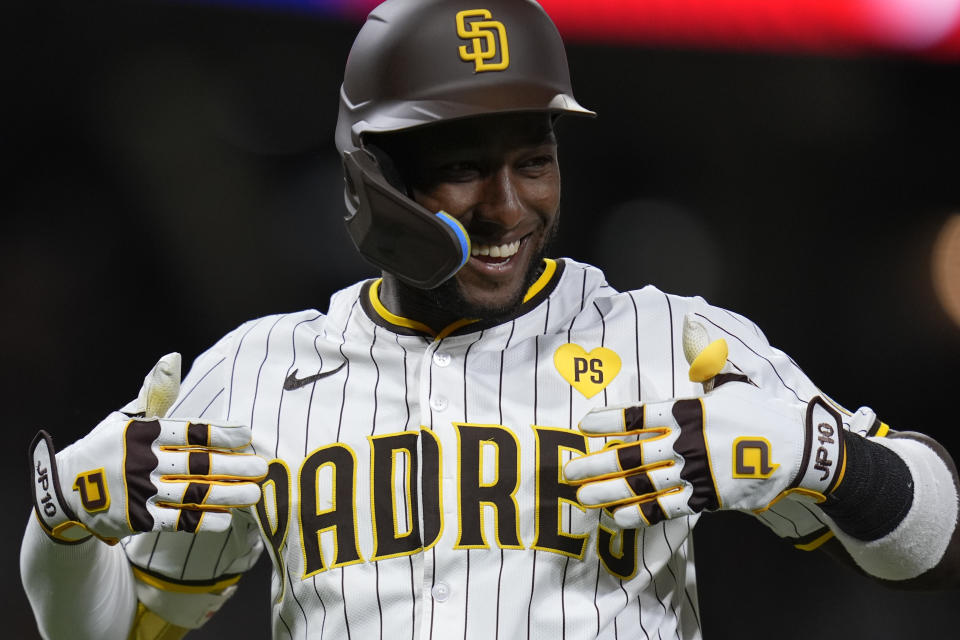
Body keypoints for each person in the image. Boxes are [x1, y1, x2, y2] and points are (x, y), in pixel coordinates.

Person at [20, 0, 960, 638]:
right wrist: (60, 521)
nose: (510, 207)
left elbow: (935, 549)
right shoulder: (260, 370)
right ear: (375, 175)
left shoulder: (669, 341)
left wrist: (822, 457)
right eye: (465, 165)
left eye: (534, 159)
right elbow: (117, 630)